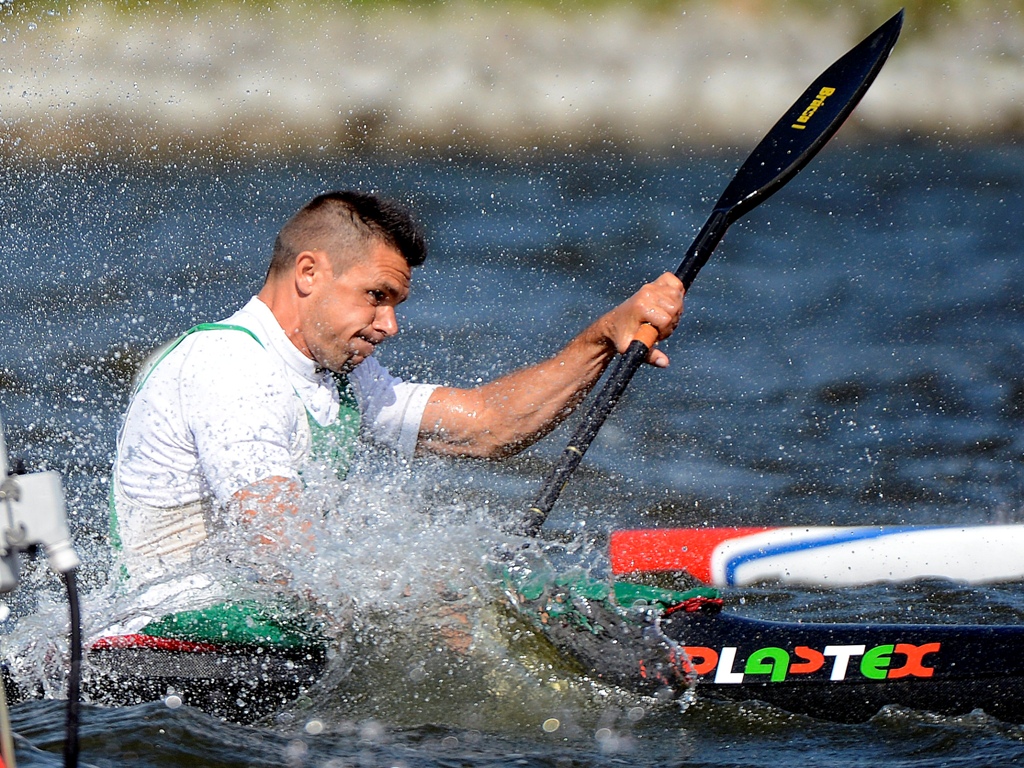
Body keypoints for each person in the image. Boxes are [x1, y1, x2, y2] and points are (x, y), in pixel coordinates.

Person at [106, 190, 684, 643]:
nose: (389, 326)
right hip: (177, 636)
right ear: (309, 273)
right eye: (377, 296)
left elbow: (487, 427)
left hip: (262, 623)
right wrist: (429, 598)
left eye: (395, 304)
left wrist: (603, 339)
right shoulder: (231, 366)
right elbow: (281, 549)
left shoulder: (337, 370)